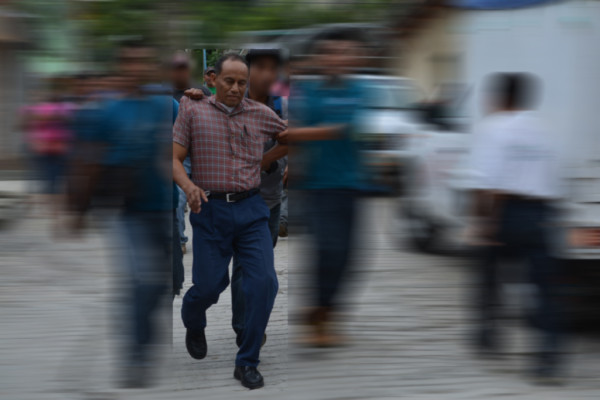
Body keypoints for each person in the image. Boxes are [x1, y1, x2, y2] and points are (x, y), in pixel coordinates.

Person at [173, 53, 287, 390]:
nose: (236, 88)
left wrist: (268, 159)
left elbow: (289, 137)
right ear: (213, 79)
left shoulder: (261, 113)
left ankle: (247, 361)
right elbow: (174, 158)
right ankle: (194, 319)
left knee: (265, 283)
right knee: (210, 286)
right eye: (229, 81)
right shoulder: (192, 109)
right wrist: (189, 186)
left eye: (242, 82)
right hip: (210, 210)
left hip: (252, 210)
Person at [69, 41, 173, 388]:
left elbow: (190, 131)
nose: (136, 68)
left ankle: (145, 337)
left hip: (163, 206)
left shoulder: (164, 105)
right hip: (125, 209)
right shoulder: (107, 110)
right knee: (138, 280)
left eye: (142, 61)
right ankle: (135, 355)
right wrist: (78, 207)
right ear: (121, 67)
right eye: (130, 62)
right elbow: (89, 158)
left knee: (160, 285)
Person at [469, 73, 564, 384]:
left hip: (507, 212)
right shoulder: (544, 129)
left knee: (488, 272)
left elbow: (488, 183)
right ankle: (548, 361)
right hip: (540, 213)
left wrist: (485, 224)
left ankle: (488, 334)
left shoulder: (494, 127)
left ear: (500, 98)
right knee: (543, 292)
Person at [286, 29, 367, 346]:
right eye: (330, 52)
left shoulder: (361, 89)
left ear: (355, 57)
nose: (338, 58)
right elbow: (290, 132)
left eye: (344, 52)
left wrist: (311, 132)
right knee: (327, 251)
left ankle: (323, 312)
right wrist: (329, 131)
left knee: (350, 257)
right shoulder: (307, 92)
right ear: (319, 58)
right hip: (317, 186)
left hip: (352, 185)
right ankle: (319, 316)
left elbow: (359, 128)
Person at [170, 51, 210, 255]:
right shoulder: (165, 95)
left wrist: (203, 98)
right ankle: (180, 239)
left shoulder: (202, 91)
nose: (180, 73)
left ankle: (208, 239)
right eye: (176, 68)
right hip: (179, 156)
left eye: (183, 68)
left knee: (208, 200)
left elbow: (218, 112)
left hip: (203, 154)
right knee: (178, 200)